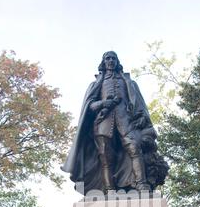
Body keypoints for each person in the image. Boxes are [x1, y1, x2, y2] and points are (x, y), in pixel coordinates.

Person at [62, 51, 168, 194]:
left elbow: (140, 104)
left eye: (113, 58)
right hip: (103, 124)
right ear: (103, 62)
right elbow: (91, 105)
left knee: (135, 149)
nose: (110, 61)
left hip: (127, 122)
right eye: (108, 58)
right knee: (105, 158)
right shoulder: (96, 84)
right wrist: (105, 103)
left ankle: (142, 185)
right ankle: (109, 189)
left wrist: (143, 118)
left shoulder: (128, 82)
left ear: (117, 62)